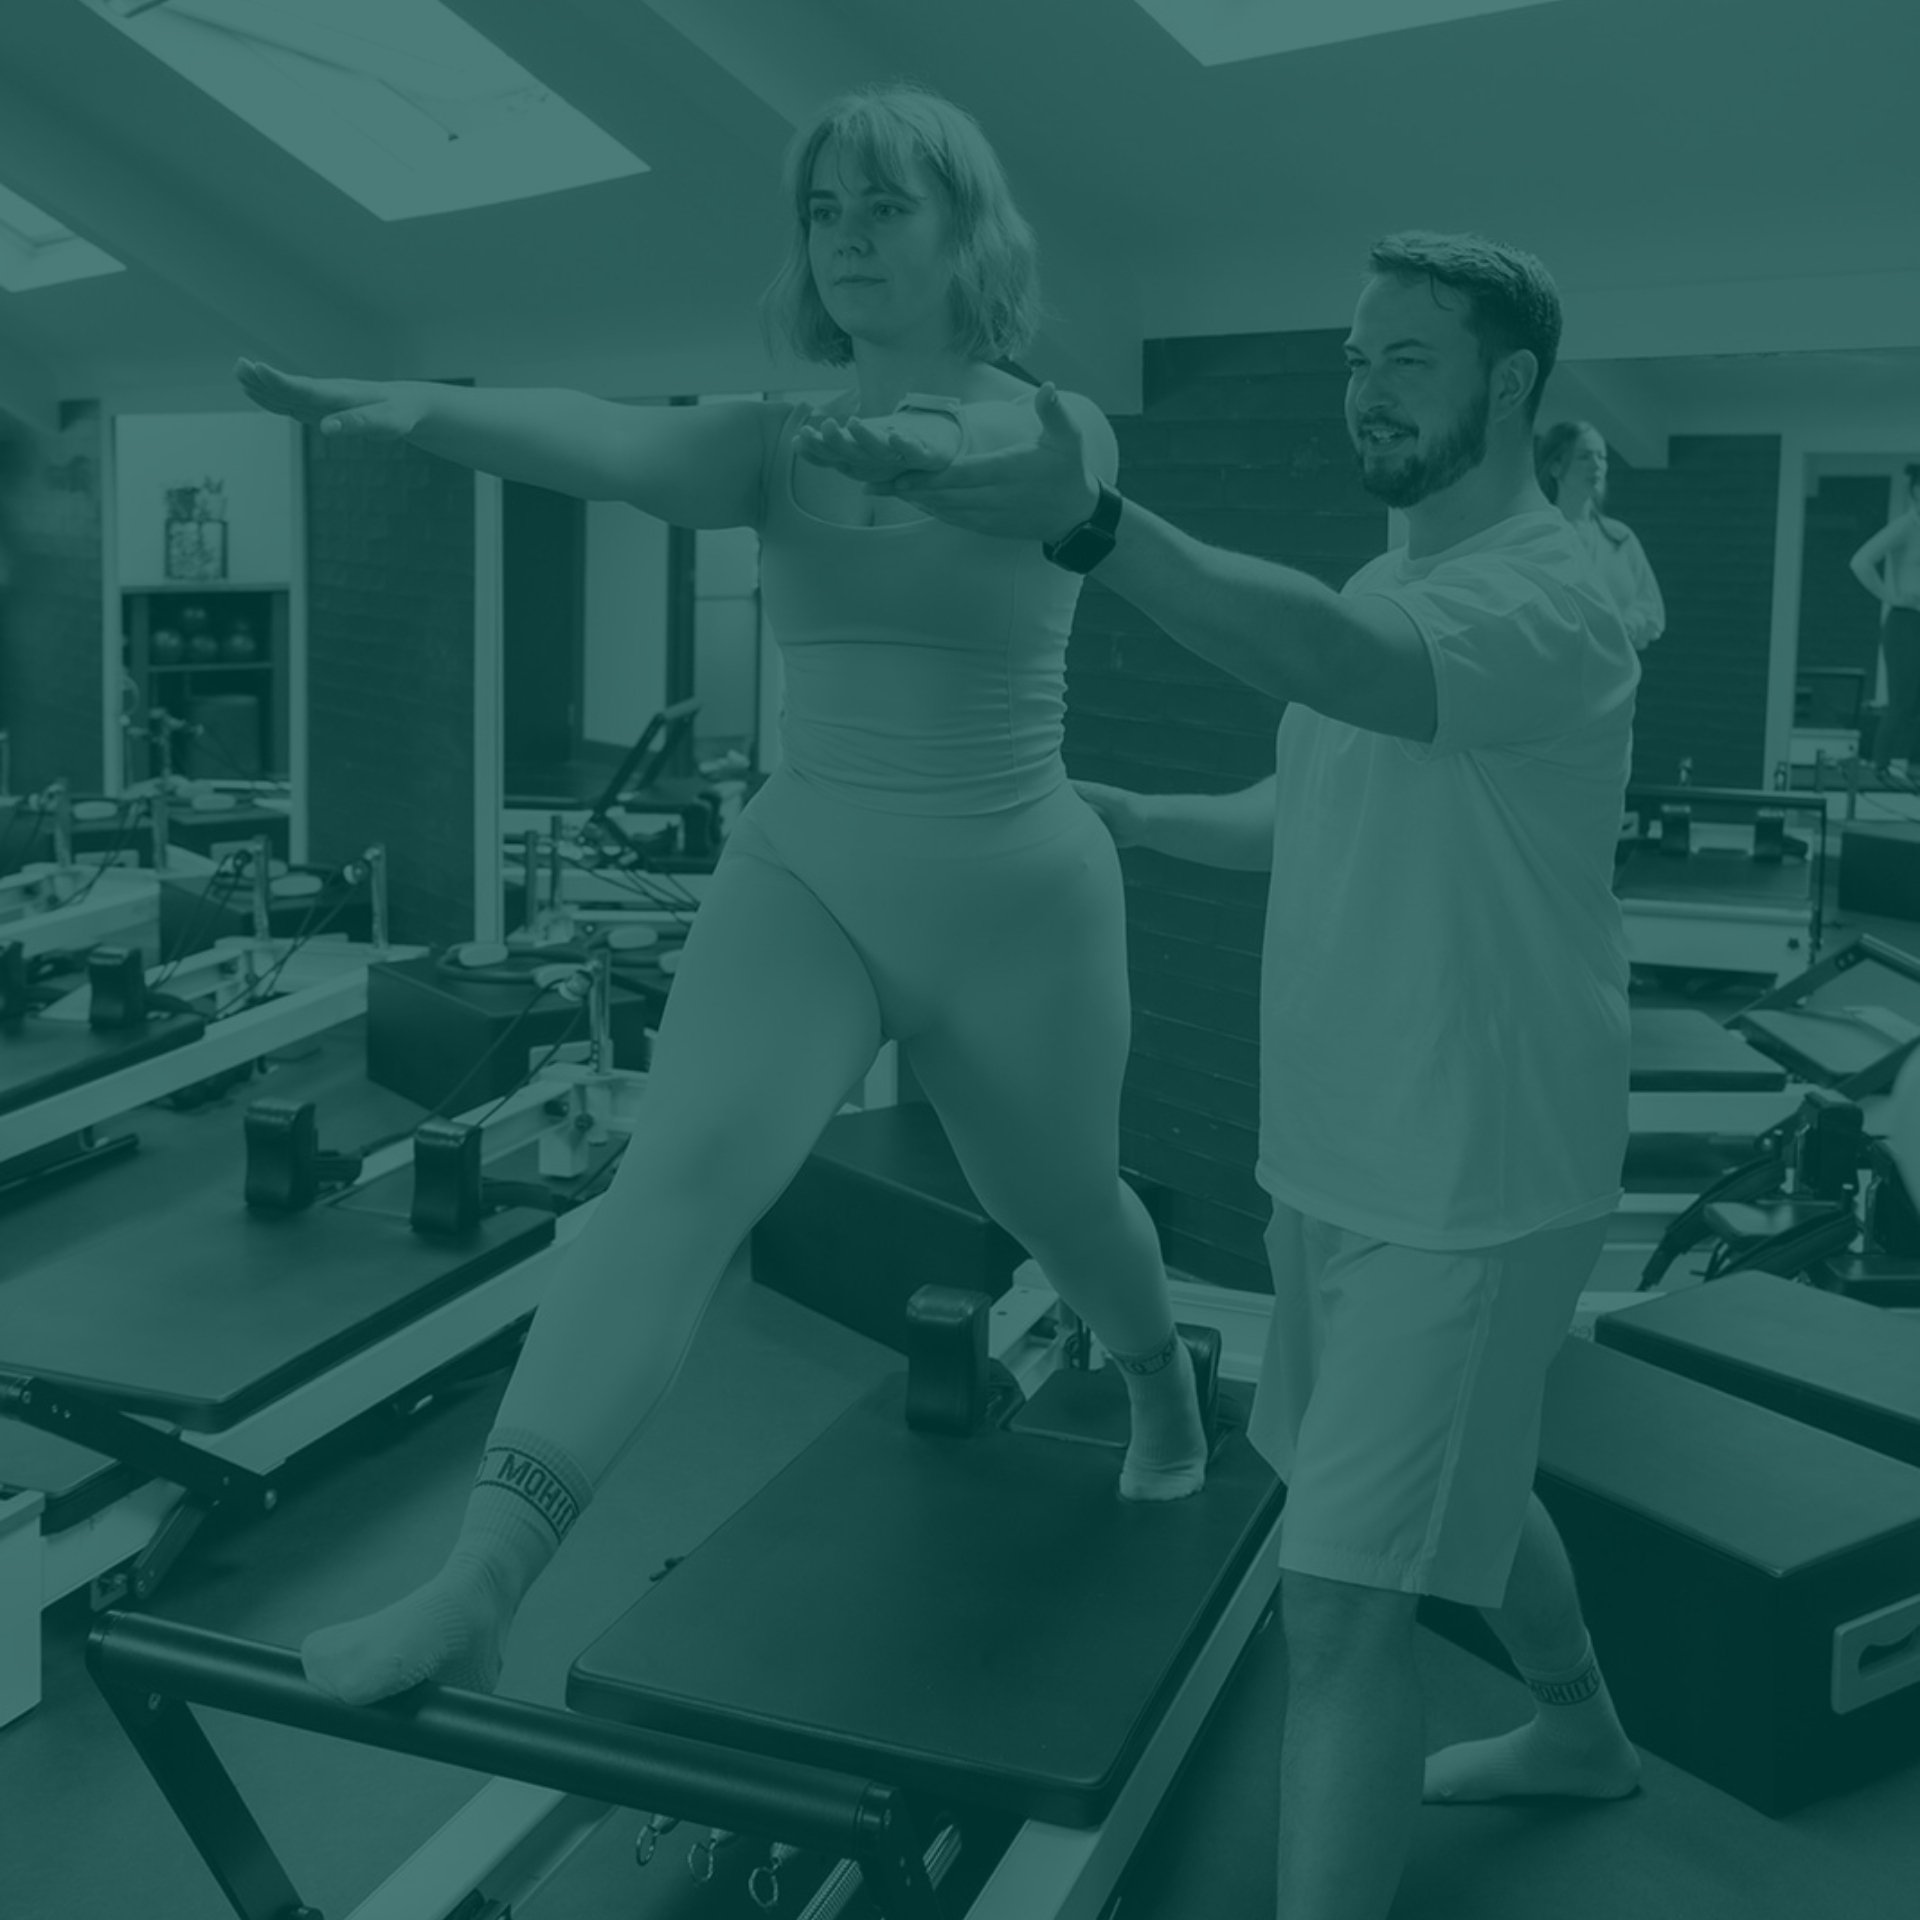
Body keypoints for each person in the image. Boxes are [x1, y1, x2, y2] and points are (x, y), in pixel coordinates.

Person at [239, 81, 1208, 1710]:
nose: (846, 243)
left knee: (1061, 1205)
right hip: (809, 872)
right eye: (826, 215)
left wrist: (891, 434)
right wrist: (414, 403)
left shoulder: (1061, 430)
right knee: (668, 1188)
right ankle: (483, 1582)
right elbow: (611, 438)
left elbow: (984, 459)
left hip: (1020, 897)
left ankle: (1161, 1380)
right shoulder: (767, 440)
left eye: (885, 209)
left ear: (966, 231)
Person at [857, 231, 1645, 1920]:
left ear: (1509, 386)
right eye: (1355, 359)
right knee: (1466, 1479)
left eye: (1408, 361)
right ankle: (1583, 1731)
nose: (1366, 387)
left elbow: (1341, 675)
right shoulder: (1392, 587)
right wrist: (1138, 819)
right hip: (1346, 1162)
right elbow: (1319, 803)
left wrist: (1094, 524)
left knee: (1340, 1605)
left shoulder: (1553, 592)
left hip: (1472, 1179)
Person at [1536, 418, 1666, 652]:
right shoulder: (1537, 537)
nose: (1596, 465)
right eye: (1584, 456)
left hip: (1618, 679)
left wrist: (1629, 624)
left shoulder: (1620, 536)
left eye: (1602, 457)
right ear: (1555, 466)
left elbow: (1650, 607)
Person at [1848, 462, 1920, 786]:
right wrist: (1889, 595)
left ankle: (1916, 767)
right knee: (1903, 698)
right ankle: (1881, 764)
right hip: (1907, 622)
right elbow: (1861, 561)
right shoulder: (1907, 525)